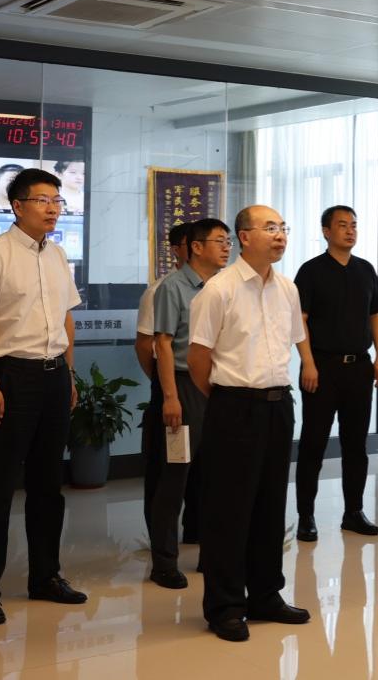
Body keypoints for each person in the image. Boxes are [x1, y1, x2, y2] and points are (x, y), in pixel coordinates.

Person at [0, 168, 85, 626]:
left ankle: (45, 577)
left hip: (54, 376)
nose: (53, 209)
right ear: (17, 206)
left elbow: (66, 319)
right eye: (42, 200)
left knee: (48, 485)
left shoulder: (58, 254)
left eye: (57, 201)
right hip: (12, 376)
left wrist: (69, 375)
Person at [187, 205, 313, 642]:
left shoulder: (287, 288)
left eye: (283, 227)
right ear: (244, 237)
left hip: (279, 406)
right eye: (270, 228)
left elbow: (293, 342)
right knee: (228, 510)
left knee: (270, 506)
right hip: (234, 406)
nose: (280, 235)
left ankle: (265, 595)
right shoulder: (218, 290)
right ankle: (224, 606)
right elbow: (198, 359)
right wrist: (228, 400)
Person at [294, 205, 378, 542]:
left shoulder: (365, 269)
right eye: (343, 225)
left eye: (354, 225)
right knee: (313, 444)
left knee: (356, 444)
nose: (350, 231)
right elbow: (300, 321)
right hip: (322, 367)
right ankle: (306, 516)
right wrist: (307, 362)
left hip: (359, 366)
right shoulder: (311, 271)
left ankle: (353, 512)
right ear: (326, 231)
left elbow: (376, 315)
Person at [147, 218, 230, 589]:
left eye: (229, 241)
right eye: (219, 241)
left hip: (218, 386)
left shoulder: (225, 286)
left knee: (215, 476)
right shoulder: (173, 287)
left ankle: (212, 555)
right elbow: (162, 344)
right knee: (174, 477)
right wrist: (170, 397)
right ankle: (164, 563)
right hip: (183, 387)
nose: (227, 247)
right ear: (196, 247)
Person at [136, 222, 192, 540]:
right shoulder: (161, 290)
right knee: (168, 468)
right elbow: (146, 346)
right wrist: (164, 384)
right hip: (172, 387)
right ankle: (161, 539)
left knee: (200, 467)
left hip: (205, 389)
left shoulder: (217, 289)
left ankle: (196, 530)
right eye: (191, 244)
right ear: (176, 250)